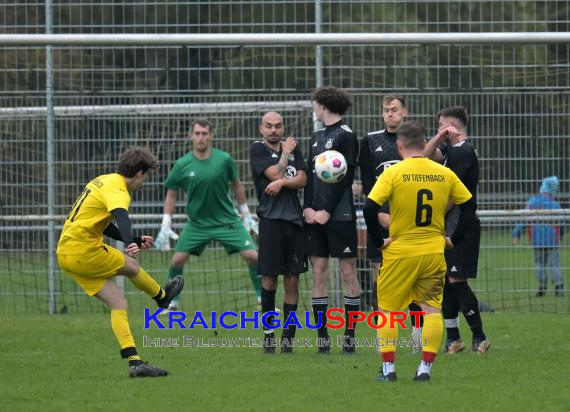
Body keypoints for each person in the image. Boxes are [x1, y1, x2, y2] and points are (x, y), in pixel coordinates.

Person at [56, 147, 184, 378]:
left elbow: (103, 223)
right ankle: (162, 298)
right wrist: (129, 243)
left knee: (118, 303)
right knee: (131, 266)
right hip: (84, 250)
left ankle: (135, 363)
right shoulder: (120, 191)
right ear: (140, 173)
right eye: (145, 177)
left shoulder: (102, 181)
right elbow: (121, 216)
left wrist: (133, 239)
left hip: (65, 253)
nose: (142, 183)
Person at [364, 121, 473, 382]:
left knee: (388, 312)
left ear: (399, 145)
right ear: (424, 144)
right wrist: (454, 238)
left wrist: (379, 240)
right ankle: (425, 369)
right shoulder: (443, 173)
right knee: (432, 311)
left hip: (400, 253)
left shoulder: (393, 173)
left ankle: (389, 370)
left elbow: (369, 207)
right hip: (433, 254)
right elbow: (468, 205)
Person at [155, 119, 261, 312]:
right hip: (197, 224)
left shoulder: (224, 159)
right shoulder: (182, 164)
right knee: (176, 261)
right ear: (191, 136)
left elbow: (236, 185)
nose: (201, 137)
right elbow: (171, 193)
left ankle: (264, 299)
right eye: (197, 133)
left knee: (253, 256)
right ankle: (172, 302)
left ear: (211, 136)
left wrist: (246, 214)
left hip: (227, 221)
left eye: (204, 133)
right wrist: (166, 223)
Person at [358, 94, 423, 349]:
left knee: (413, 279)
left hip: (408, 221)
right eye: (386, 110)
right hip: (381, 219)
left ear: (404, 112)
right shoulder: (371, 141)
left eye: (394, 110)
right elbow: (367, 185)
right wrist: (380, 214)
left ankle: (417, 330)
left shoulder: (414, 142)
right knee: (382, 279)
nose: (390, 114)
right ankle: (384, 334)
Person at [424, 106, 490, 354]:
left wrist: (437, 213)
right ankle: (453, 338)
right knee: (445, 281)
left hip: (461, 225)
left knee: (456, 279)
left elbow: (455, 192)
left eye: (441, 125)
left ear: (452, 125)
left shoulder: (463, 152)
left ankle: (479, 336)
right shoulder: (451, 150)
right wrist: (440, 137)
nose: (437, 129)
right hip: (448, 224)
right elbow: (424, 155)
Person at [303, 86, 361, 354]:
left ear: (324, 104)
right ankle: (323, 338)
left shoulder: (347, 135)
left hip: (340, 215)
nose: (313, 107)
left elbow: (345, 178)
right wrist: (308, 208)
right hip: (315, 216)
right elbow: (311, 177)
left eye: (315, 103)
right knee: (318, 272)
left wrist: (326, 209)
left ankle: (349, 337)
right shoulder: (316, 137)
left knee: (348, 272)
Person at [249, 112, 308, 354]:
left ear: (283, 128)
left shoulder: (296, 148)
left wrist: (283, 183)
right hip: (271, 220)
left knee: (292, 279)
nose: (273, 130)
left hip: (294, 220)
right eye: (269, 126)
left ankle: (288, 340)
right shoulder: (257, 149)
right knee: (269, 279)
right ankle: (269, 336)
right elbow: (274, 173)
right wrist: (285, 154)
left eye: (278, 126)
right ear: (261, 128)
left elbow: (303, 179)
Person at [512, 176, 565, 297]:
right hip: (552, 240)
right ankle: (559, 287)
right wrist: (561, 235)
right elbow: (561, 223)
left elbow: (524, 219)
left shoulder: (532, 202)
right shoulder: (555, 204)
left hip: (537, 240)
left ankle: (542, 287)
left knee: (539, 264)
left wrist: (516, 234)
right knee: (554, 264)